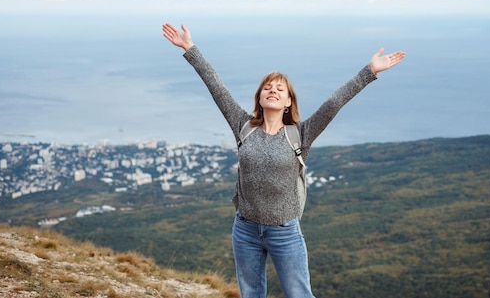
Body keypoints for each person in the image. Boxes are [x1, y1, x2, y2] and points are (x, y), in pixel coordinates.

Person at [162, 22, 405, 298]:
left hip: (284, 232)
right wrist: (190, 48)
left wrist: (369, 71)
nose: (273, 90)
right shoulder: (243, 126)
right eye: (267, 88)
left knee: (299, 295)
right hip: (245, 229)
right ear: (259, 98)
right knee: (251, 295)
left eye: (280, 88)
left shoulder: (300, 134)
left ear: (289, 101)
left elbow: (334, 103)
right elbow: (216, 86)